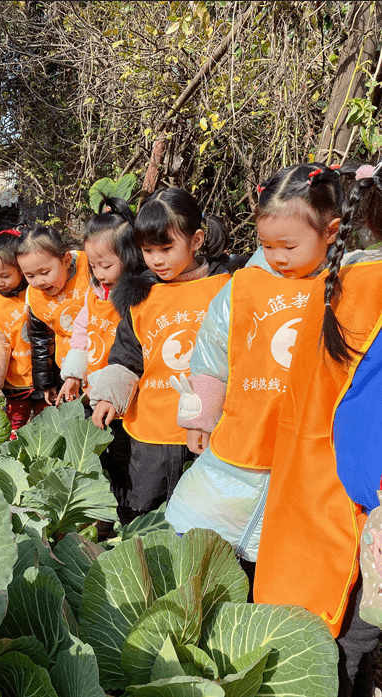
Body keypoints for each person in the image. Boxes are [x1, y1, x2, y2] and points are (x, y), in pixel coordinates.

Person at [164, 164, 342, 572]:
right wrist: (202, 417)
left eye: (289, 246)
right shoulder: (242, 286)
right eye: (267, 244)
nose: (277, 256)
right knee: (205, 525)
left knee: (289, 546)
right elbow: (211, 354)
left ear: (330, 231)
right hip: (243, 432)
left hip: (312, 443)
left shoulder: (347, 284)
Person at [254, 161, 382, 697]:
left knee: (318, 643)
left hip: (307, 497)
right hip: (354, 507)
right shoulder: (370, 290)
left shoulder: (338, 282)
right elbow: (365, 420)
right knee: (347, 645)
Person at [89, 187, 233, 521]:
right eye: (148, 250)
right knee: (147, 513)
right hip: (151, 429)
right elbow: (126, 355)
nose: (156, 259)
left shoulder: (226, 288)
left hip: (211, 426)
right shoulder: (141, 296)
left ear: (196, 240)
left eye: (166, 248)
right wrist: (110, 396)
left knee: (203, 514)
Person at [56, 196, 145, 523]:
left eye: (105, 265)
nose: (98, 273)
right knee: (97, 455)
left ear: (131, 256)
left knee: (124, 460)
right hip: (94, 389)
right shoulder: (95, 291)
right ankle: (101, 518)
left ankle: (125, 519)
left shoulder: (139, 295)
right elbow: (82, 330)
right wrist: (73, 374)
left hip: (127, 399)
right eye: (93, 266)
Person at [0, 229, 45, 436]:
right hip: (16, 379)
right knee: (15, 427)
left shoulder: (37, 290)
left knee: (48, 426)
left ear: (21, 268)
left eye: (5, 275)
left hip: (47, 375)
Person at [16, 226, 90, 405]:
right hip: (66, 368)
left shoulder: (89, 267)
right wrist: (46, 383)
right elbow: (41, 341)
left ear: (65, 260)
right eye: (30, 275)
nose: (39, 281)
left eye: (45, 272)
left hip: (100, 358)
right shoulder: (34, 298)